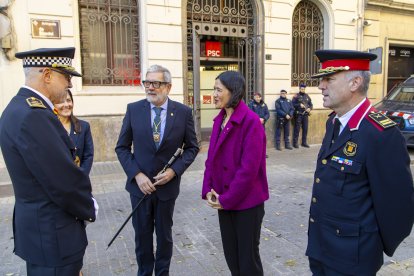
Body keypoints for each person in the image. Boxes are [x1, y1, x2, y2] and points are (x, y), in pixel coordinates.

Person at [306, 49, 414, 275]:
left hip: (353, 258)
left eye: (329, 79)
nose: (321, 86)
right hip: (320, 247)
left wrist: (370, 245)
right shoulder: (334, 122)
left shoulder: (381, 133)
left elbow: (398, 205)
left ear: (355, 83)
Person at [0, 47, 97, 276]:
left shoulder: (17, 108)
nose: (70, 85)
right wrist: (89, 206)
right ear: (47, 75)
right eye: (66, 77)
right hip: (53, 234)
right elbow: (61, 180)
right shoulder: (35, 115)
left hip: (40, 232)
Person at [115, 64, 199, 276]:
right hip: (140, 189)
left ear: (168, 87)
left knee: (164, 237)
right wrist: (137, 174)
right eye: (147, 82)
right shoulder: (134, 109)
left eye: (156, 83)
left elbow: (192, 148)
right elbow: (122, 147)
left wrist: (174, 171)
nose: (150, 87)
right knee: (142, 238)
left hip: (166, 189)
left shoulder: (183, 113)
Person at [202, 71, 269, 276]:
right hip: (224, 200)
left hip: (246, 204)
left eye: (218, 90)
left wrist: (227, 199)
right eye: (214, 89)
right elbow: (211, 160)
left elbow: (248, 170)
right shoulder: (220, 119)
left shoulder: (251, 122)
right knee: (232, 258)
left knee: (247, 261)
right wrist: (208, 190)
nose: (214, 94)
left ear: (234, 92)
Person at [54, 90, 94, 174]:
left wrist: (81, 178)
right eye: (60, 101)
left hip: (78, 181)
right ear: (53, 105)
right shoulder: (49, 127)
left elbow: (88, 156)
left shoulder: (84, 126)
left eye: (69, 100)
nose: (66, 105)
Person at [292, 83, 313, 148]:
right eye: (301, 89)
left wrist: (310, 108)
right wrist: (299, 105)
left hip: (305, 115)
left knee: (305, 129)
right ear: (299, 89)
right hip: (299, 115)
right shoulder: (296, 96)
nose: (302, 90)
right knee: (297, 129)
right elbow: (292, 104)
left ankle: (304, 142)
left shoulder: (307, 96)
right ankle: (295, 143)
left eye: (303, 89)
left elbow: (311, 104)